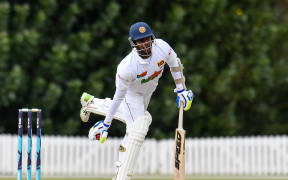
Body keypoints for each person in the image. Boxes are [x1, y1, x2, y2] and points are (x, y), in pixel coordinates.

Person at [80, 22, 194, 180]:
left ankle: (91, 104)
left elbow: (175, 64)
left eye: (147, 39)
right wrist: (107, 124)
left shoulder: (161, 47)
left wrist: (181, 89)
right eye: (140, 41)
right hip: (131, 96)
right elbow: (118, 98)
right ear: (133, 43)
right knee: (139, 127)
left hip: (147, 93)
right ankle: (122, 176)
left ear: (152, 38)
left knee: (139, 120)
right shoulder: (126, 67)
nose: (145, 43)